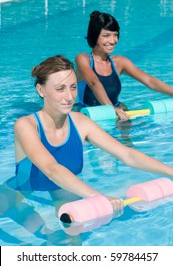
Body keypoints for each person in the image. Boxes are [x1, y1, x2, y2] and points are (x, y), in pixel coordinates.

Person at [2, 55, 173, 241]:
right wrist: (98, 196)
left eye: (73, 87)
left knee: (72, 244)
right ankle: (23, 213)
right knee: (6, 210)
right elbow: (52, 169)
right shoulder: (26, 125)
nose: (69, 97)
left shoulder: (81, 123)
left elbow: (127, 154)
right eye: (60, 89)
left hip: (65, 189)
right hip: (24, 186)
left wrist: (170, 171)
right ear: (41, 90)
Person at [76, 10, 173, 121]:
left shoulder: (120, 62)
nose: (112, 41)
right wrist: (110, 108)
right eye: (106, 35)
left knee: (128, 136)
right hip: (88, 114)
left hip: (118, 112)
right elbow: (94, 83)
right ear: (95, 36)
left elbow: (149, 81)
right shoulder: (83, 59)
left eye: (115, 35)